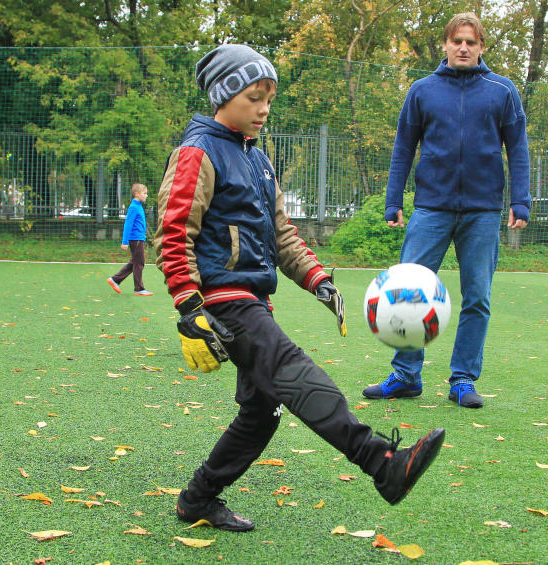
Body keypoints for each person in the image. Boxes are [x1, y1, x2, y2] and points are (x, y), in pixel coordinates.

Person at [154, 44, 445, 532]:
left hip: (253, 300)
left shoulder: (261, 163)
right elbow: (174, 229)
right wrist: (188, 306)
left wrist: (319, 281)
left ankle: (198, 499)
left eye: (269, 97)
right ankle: (382, 463)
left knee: (261, 411)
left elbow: (282, 236)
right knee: (294, 373)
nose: (264, 108)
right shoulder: (197, 152)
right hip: (223, 302)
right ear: (223, 96)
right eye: (254, 96)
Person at [363, 12, 531, 409]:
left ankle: (463, 380)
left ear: (482, 47)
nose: (463, 48)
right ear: (445, 44)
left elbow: (518, 150)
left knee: (477, 298)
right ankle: (405, 376)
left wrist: (520, 200)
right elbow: (403, 148)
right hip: (430, 209)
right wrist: (393, 200)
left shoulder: (502, 91)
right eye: (457, 40)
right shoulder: (422, 91)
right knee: (408, 295)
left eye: (471, 42)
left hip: (483, 212)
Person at [107, 183, 153, 296]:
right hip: (135, 239)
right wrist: (125, 242)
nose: (146, 195)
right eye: (144, 193)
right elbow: (128, 225)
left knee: (136, 261)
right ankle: (138, 288)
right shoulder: (133, 207)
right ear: (137, 194)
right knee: (139, 262)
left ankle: (116, 280)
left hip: (139, 238)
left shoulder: (138, 206)